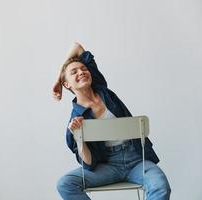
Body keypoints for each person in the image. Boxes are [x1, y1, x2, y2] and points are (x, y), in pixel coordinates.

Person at [52, 42, 171, 200]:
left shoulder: (102, 89)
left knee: (160, 186)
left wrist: (57, 78)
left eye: (84, 68)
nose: (81, 72)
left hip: (136, 159)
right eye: (74, 72)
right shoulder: (75, 119)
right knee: (65, 184)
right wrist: (80, 141)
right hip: (108, 166)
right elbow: (88, 164)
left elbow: (77, 47)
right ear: (68, 84)